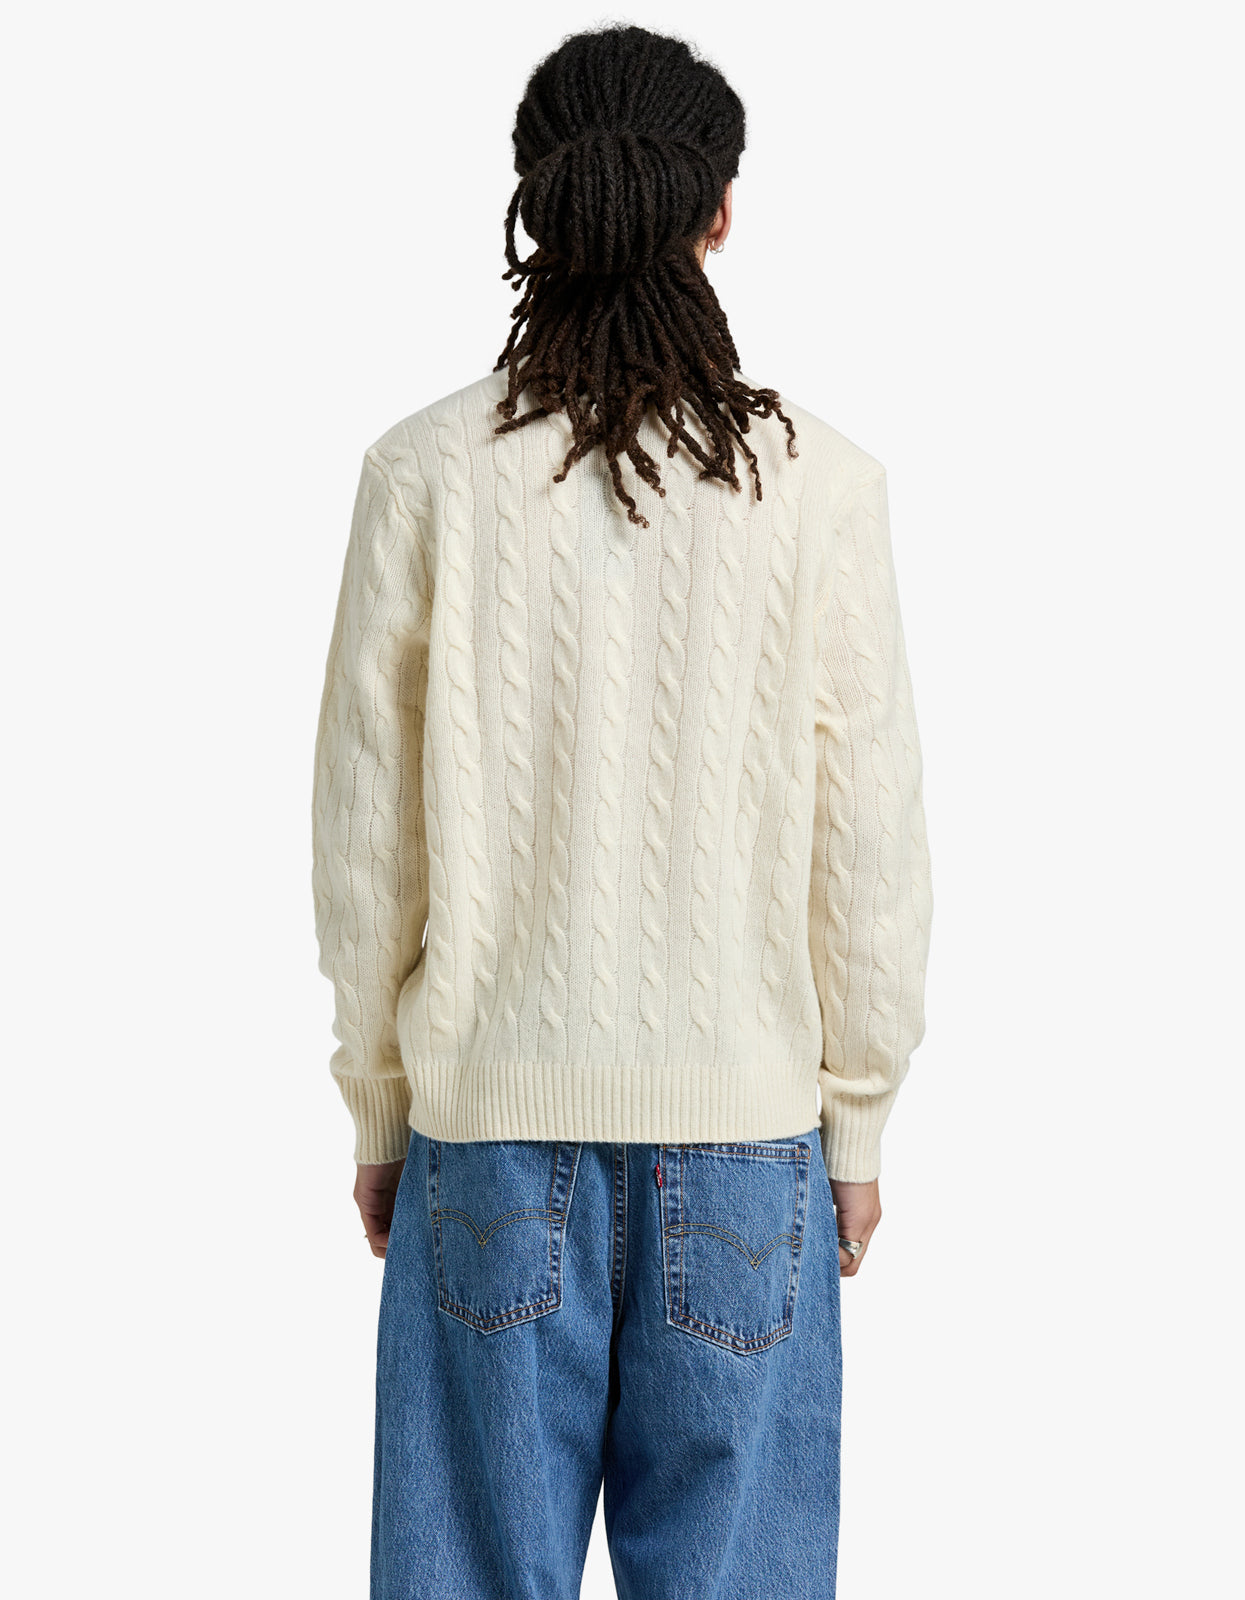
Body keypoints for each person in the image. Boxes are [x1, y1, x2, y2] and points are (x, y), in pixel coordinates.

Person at [311, 22, 932, 1599]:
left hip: (485, 1141)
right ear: (717, 215)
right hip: (745, 1143)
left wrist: (378, 1106)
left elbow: (367, 838)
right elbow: (866, 841)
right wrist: (856, 1118)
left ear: (539, 203)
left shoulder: (422, 472)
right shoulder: (818, 485)